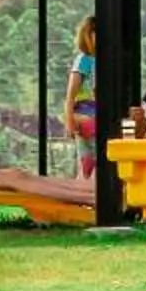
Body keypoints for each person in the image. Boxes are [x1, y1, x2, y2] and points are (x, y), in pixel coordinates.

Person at [63, 12, 98, 177]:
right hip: (85, 115)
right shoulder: (85, 59)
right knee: (87, 159)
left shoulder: (102, 59)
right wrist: (69, 118)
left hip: (96, 116)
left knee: (91, 159)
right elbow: (71, 94)